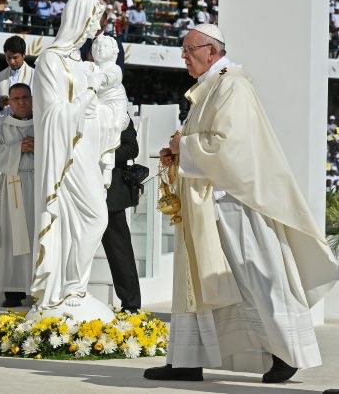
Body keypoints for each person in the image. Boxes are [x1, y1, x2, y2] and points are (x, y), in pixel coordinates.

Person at [144, 24, 339, 383]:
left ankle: (288, 352)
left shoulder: (233, 85)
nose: (183, 56)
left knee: (261, 276)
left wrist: (183, 147)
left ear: (211, 51)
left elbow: (230, 144)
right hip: (207, 201)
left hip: (237, 202)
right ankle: (187, 358)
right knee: (196, 277)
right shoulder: (211, 86)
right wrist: (180, 149)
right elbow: (206, 140)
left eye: (188, 50)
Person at [30, 0, 116, 311]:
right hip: (66, 154)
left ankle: (74, 288)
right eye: (93, 19)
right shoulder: (51, 61)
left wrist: (106, 114)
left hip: (86, 149)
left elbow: (95, 110)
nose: (97, 26)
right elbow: (52, 116)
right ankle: (68, 288)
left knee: (90, 218)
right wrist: (91, 89)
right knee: (96, 216)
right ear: (78, 20)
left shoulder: (82, 63)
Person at [0, 83, 35, 307]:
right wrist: (18, 148)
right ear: (9, 102)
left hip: (37, 184)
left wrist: (38, 146)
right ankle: (13, 291)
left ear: (32, 99)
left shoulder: (44, 123)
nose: (21, 102)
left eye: (25, 97)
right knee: (11, 237)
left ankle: (38, 288)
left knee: (37, 234)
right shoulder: (2, 127)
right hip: (12, 184)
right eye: (16, 98)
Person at [0, 36, 34, 119]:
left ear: (23, 55)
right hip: (5, 126)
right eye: (8, 57)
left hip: (28, 125)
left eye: (15, 58)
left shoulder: (35, 75)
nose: (11, 61)